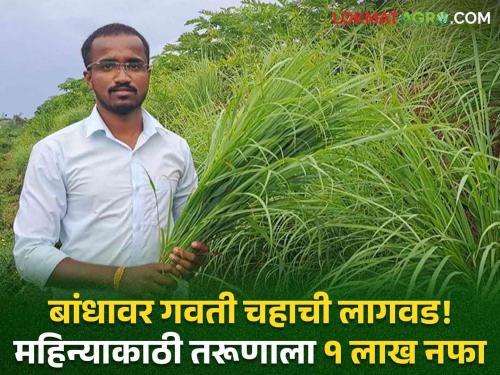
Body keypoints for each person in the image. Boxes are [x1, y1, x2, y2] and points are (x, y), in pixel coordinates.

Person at [13, 23, 207, 297]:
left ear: (148, 74)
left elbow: (192, 229)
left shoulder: (175, 147)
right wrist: (118, 278)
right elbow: (29, 254)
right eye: (107, 66)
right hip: (86, 323)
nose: (122, 77)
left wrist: (193, 256)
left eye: (134, 65)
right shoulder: (54, 150)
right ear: (88, 77)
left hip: (168, 318)